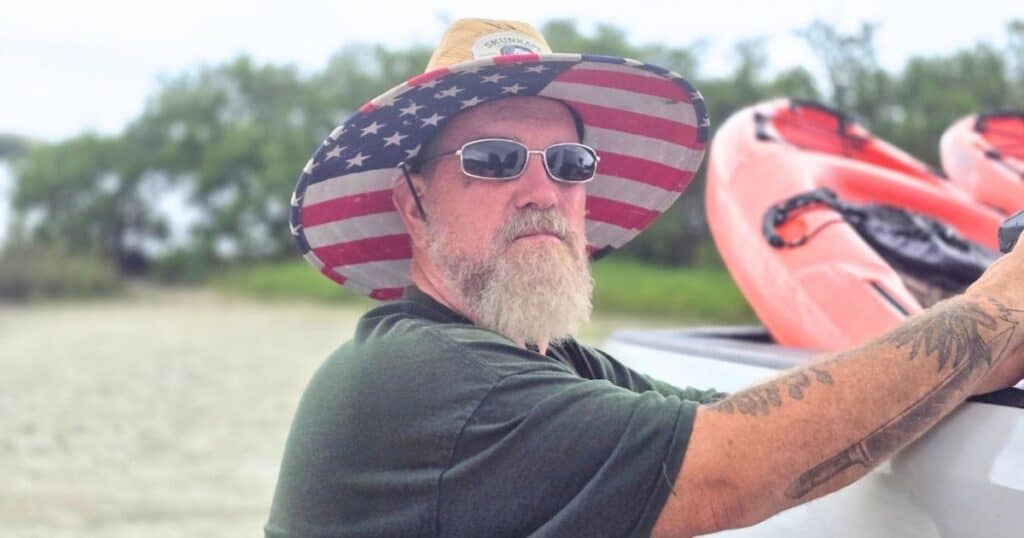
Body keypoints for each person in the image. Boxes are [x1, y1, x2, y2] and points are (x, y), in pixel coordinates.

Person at [267, 19, 1024, 537]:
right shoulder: (421, 381)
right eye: (492, 161)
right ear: (411, 200)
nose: (542, 192)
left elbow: (756, 416)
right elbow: (736, 464)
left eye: (569, 164)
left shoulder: (548, 365)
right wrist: (994, 311)